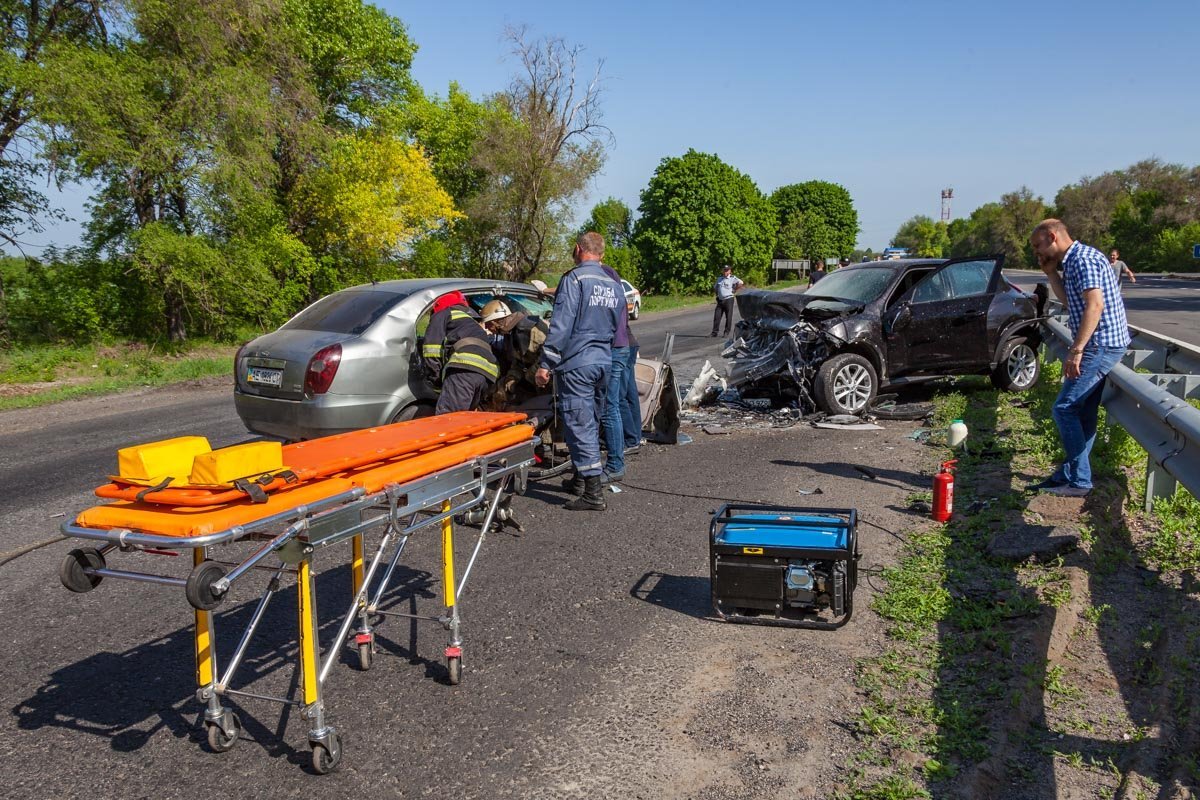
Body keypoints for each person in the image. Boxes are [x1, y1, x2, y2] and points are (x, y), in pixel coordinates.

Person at [1027, 219, 1131, 497]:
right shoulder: (1073, 261)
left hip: (1099, 344)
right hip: (1100, 343)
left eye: (1038, 246)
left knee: (1064, 408)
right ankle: (1070, 474)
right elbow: (1072, 300)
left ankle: (1079, 481)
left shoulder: (1083, 260)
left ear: (1052, 237)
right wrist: (1050, 273)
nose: (1037, 253)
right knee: (1082, 411)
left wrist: (1077, 350)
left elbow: (1095, 305)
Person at [534, 232, 623, 511]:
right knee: (591, 421)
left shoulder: (574, 280)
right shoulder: (613, 283)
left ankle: (593, 494)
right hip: (603, 361)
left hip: (577, 363)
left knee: (579, 423)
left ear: (577, 249)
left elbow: (561, 326)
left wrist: (546, 363)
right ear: (602, 255)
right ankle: (580, 480)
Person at [422, 291, 498, 414]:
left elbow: (431, 349)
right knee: (465, 419)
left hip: (464, 370)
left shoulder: (443, 313)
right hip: (488, 374)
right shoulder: (471, 323)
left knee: (448, 419)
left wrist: (435, 380)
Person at [479, 299, 551, 422]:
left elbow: (550, 355)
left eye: (489, 324)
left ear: (497, 321)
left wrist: (529, 375)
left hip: (548, 382)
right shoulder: (510, 334)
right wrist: (512, 378)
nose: (487, 328)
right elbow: (519, 361)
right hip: (532, 381)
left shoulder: (532, 329)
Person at [598, 263, 638, 483]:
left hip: (612, 349)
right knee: (621, 399)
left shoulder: (600, 281)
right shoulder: (613, 282)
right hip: (622, 346)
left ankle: (615, 462)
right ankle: (632, 440)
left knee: (610, 405)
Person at [710, 265, 744, 337]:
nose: (725, 272)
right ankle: (714, 332)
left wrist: (735, 289)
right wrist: (717, 294)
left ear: (729, 271)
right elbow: (715, 287)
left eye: (727, 270)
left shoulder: (732, 278)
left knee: (728, 316)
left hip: (729, 299)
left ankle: (726, 332)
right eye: (724, 270)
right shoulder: (720, 279)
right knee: (717, 316)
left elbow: (741, 283)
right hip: (720, 300)